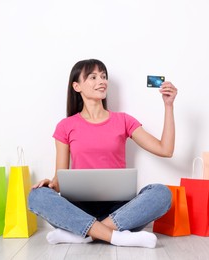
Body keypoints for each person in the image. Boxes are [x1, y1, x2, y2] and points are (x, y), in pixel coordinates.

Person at [28, 59, 178, 249]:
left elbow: (165, 150)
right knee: (36, 196)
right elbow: (59, 180)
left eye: (104, 76)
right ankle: (117, 237)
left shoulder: (123, 120)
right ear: (77, 86)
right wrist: (51, 184)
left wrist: (169, 106)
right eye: (93, 77)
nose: (102, 81)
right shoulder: (65, 126)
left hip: (120, 211)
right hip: (78, 209)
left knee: (161, 193)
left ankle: (86, 234)